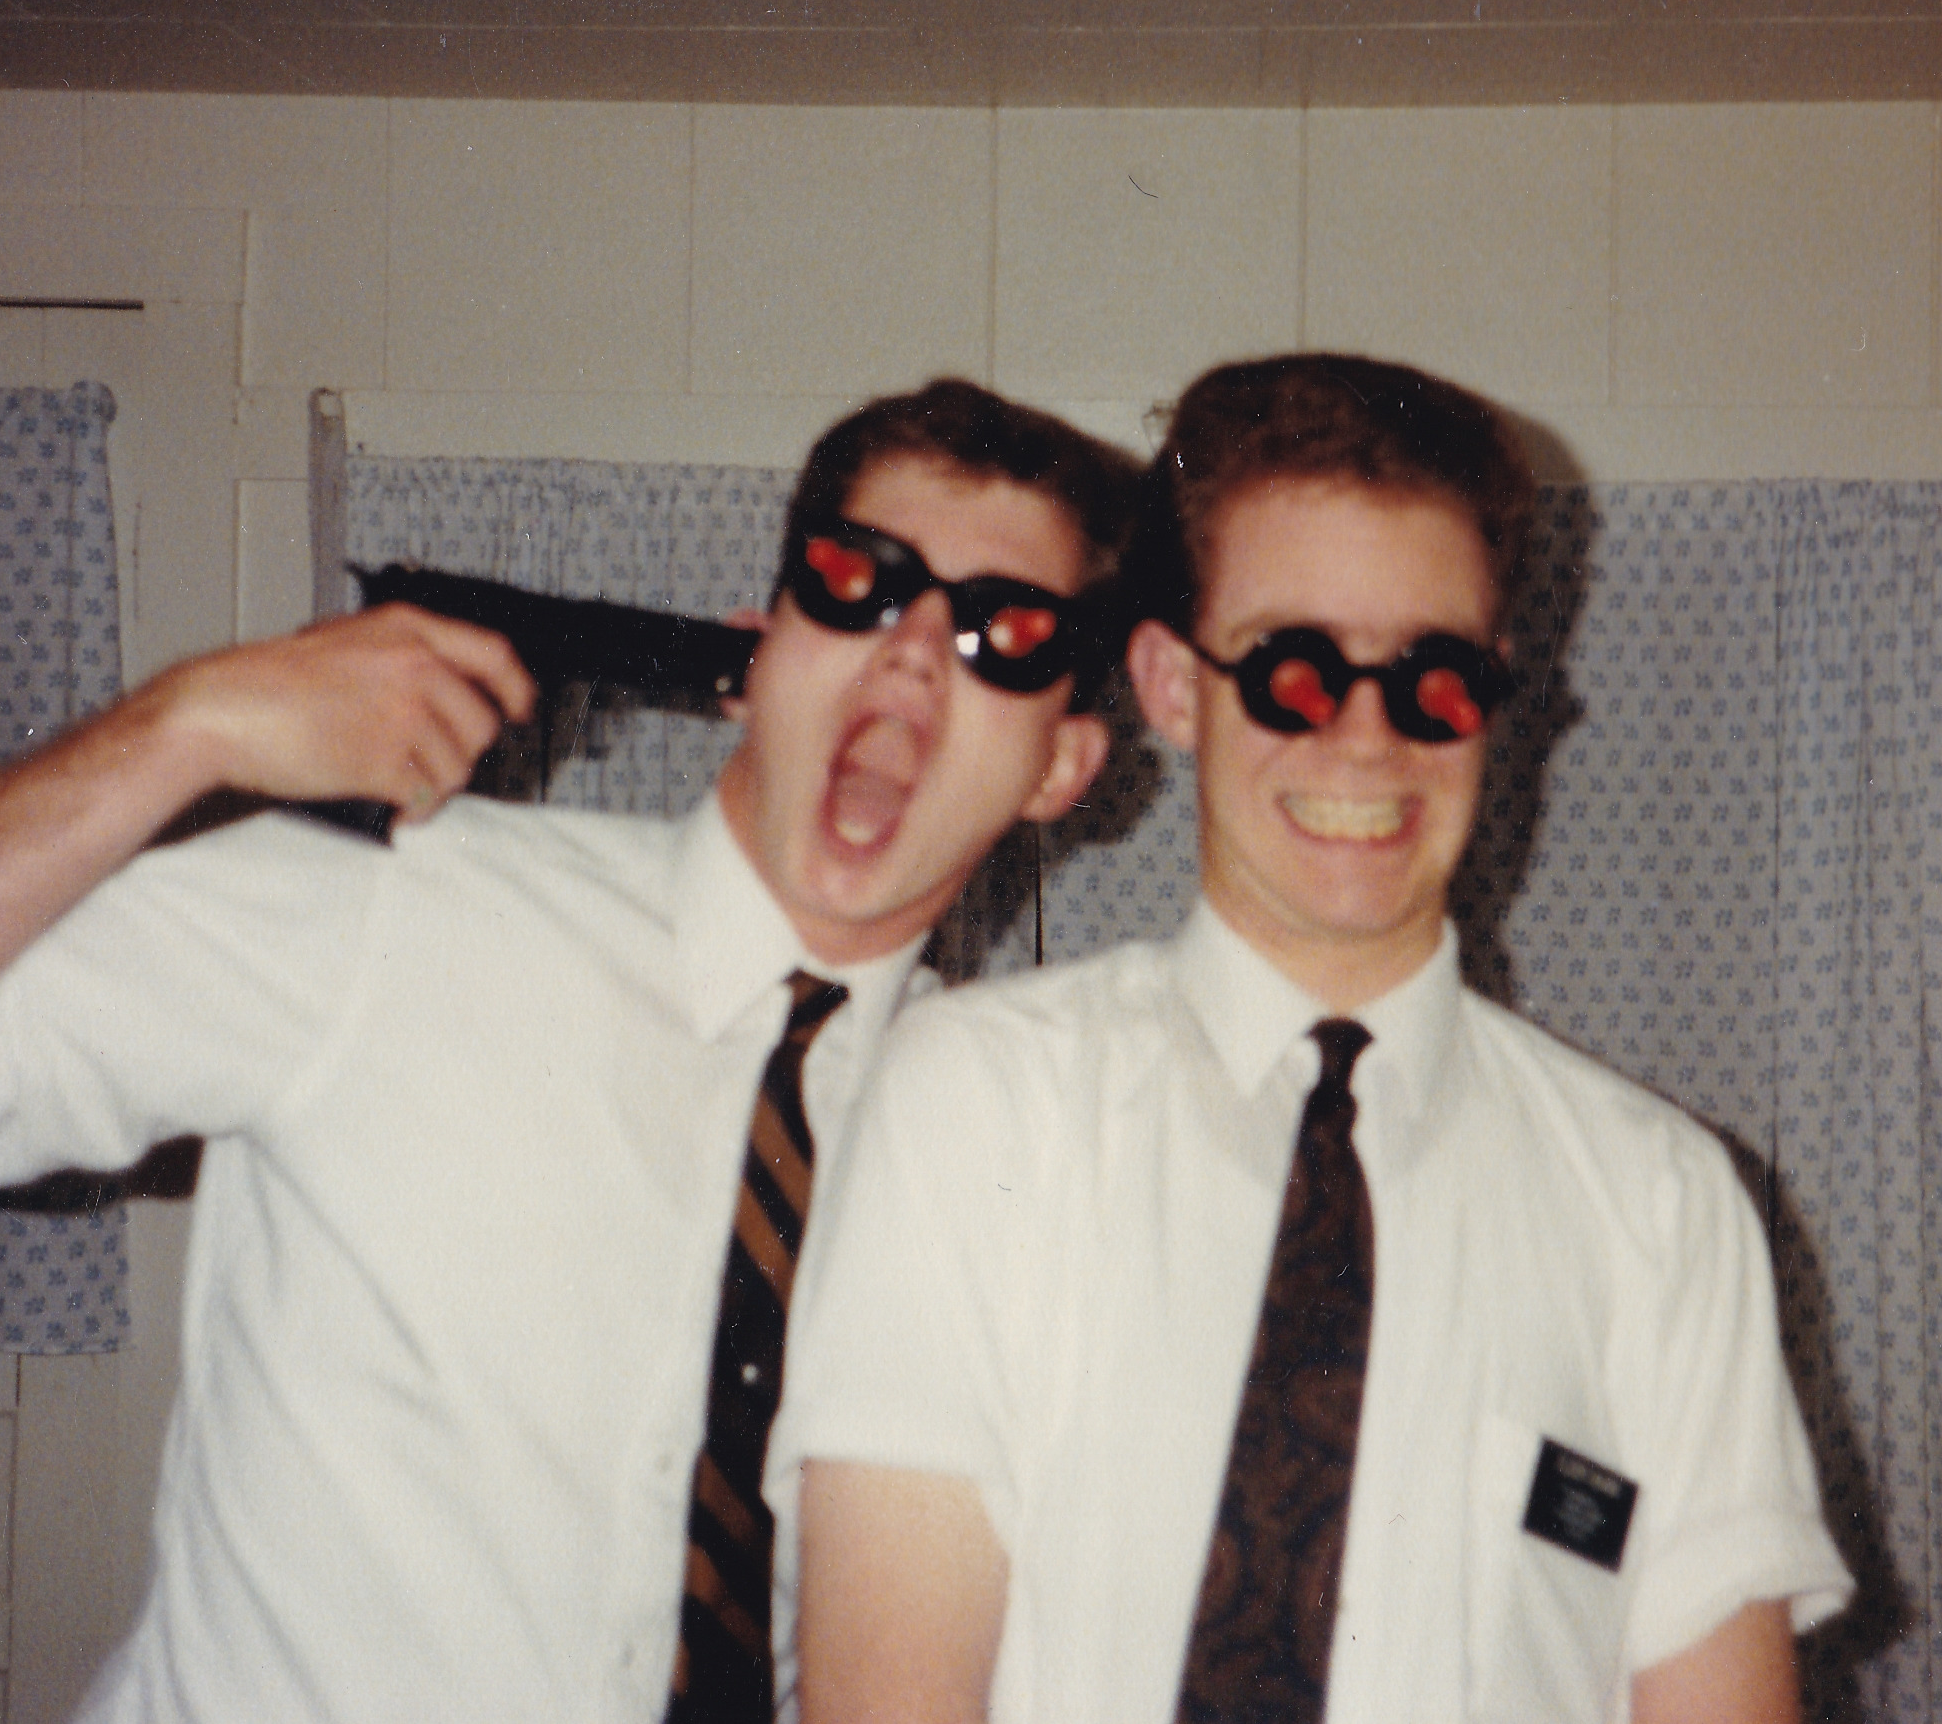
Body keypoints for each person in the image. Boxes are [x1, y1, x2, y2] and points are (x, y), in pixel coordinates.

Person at [0, 380, 1136, 1723]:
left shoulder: (1015, 1133)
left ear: (1066, 763)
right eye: (853, 587)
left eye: (1003, 633)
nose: (912, 667)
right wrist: (185, 723)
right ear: (756, 656)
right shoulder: (397, 912)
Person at [782, 354, 1852, 1724]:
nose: (1365, 739)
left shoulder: (1659, 1203)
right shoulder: (976, 1106)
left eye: (1434, 680)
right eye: (1292, 671)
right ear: (1172, 687)